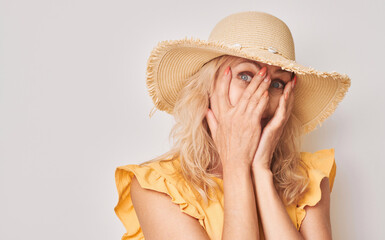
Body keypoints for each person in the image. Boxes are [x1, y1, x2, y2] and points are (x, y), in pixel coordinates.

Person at [114, 11, 351, 240]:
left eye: (277, 83)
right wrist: (236, 165)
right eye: (246, 76)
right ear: (209, 88)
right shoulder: (158, 188)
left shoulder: (307, 179)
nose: (263, 97)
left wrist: (260, 170)